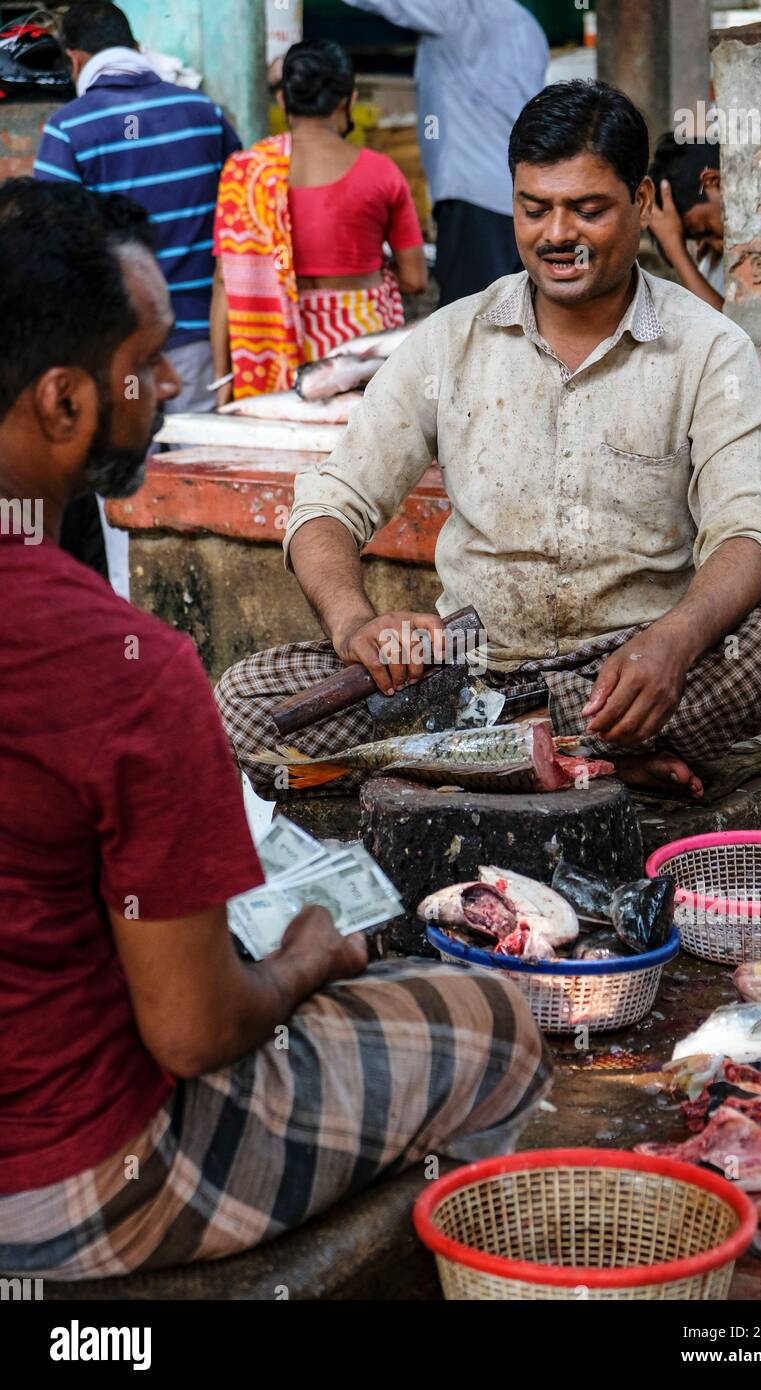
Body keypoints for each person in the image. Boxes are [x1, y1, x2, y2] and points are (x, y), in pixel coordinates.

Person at [0, 180, 549, 1282]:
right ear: (62, 405)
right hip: (72, 1180)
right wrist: (306, 959)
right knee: (493, 1018)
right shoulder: (121, 668)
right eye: (144, 366)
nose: (164, 388)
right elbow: (195, 1034)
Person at [216, 80, 761, 806]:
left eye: (587, 209)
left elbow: (746, 534)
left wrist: (675, 642)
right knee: (245, 704)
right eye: (535, 209)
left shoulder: (709, 349)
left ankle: (478, 758)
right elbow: (329, 503)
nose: (557, 234)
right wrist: (355, 625)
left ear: (643, 200)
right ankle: (568, 757)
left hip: (625, 669)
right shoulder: (451, 338)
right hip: (468, 667)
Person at [34, 1, 240, 416]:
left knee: (129, 474)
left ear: (74, 60)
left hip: (120, 352)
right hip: (200, 346)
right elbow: (243, 219)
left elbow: (54, 250)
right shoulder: (205, 114)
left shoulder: (68, 129)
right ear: (137, 46)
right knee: (198, 469)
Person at [211, 39, 426, 406]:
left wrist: (222, 378)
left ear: (283, 100)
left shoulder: (246, 172)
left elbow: (225, 284)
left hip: (269, 355)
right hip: (355, 354)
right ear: (348, 99)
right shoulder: (381, 173)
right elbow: (415, 279)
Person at [342, 0, 550, 306]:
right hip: (524, 198)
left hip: (474, 200)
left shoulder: (456, 11)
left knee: (467, 328)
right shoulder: (529, 27)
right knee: (516, 322)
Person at [648, 134, 724, 310]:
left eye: (706, 230)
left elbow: (732, 331)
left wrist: (675, 249)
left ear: (713, 182)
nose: (717, 246)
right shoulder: (712, 260)